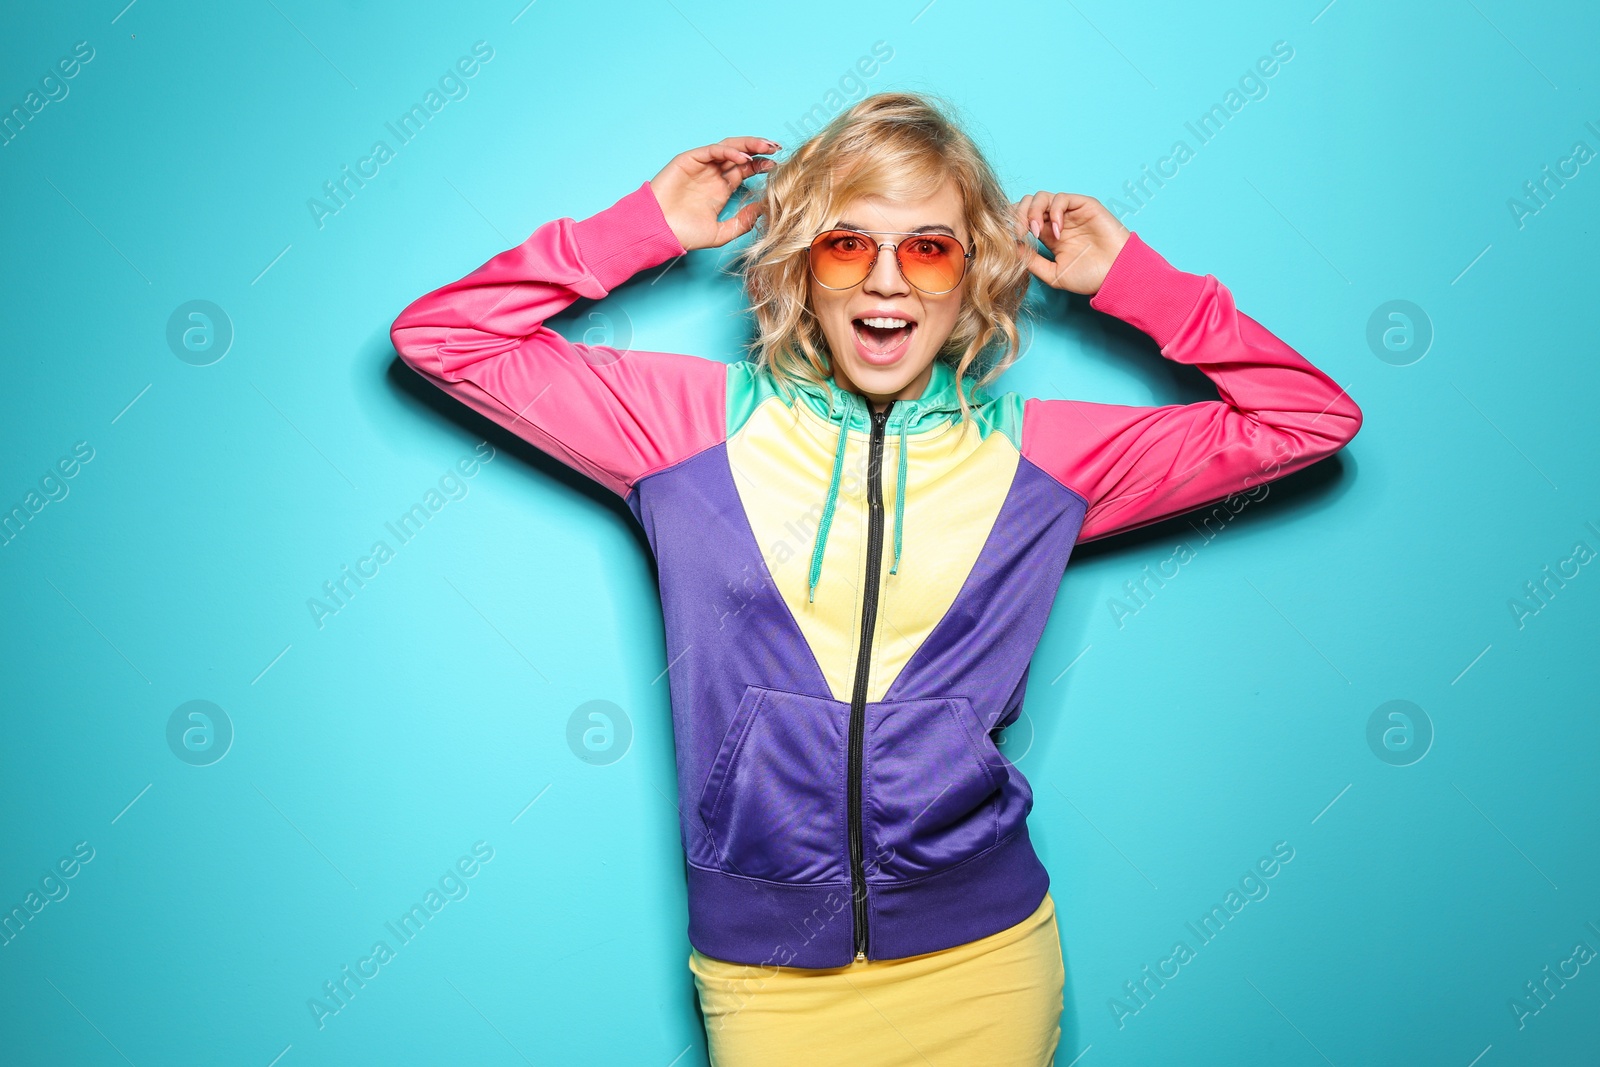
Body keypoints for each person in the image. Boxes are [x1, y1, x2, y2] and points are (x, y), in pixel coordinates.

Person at [390, 91, 1362, 1066]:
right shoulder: (684, 429)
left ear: (972, 271)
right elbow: (442, 338)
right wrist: (640, 228)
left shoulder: (1043, 461)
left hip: (984, 955)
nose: (887, 281)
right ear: (802, 269)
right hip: (768, 970)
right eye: (847, 245)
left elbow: (1308, 421)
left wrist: (1141, 284)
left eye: (929, 248)